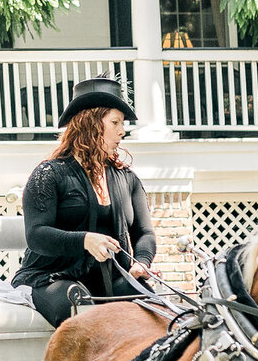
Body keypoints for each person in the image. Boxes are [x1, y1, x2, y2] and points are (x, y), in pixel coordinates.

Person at [13, 77, 158, 327]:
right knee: (79, 311)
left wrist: (141, 263)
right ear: (89, 123)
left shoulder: (128, 179)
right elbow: (36, 235)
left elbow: (144, 233)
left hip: (110, 278)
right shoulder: (49, 174)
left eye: (122, 124)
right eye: (115, 122)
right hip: (51, 277)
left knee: (154, 309)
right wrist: (84, 240)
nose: (122, 131)